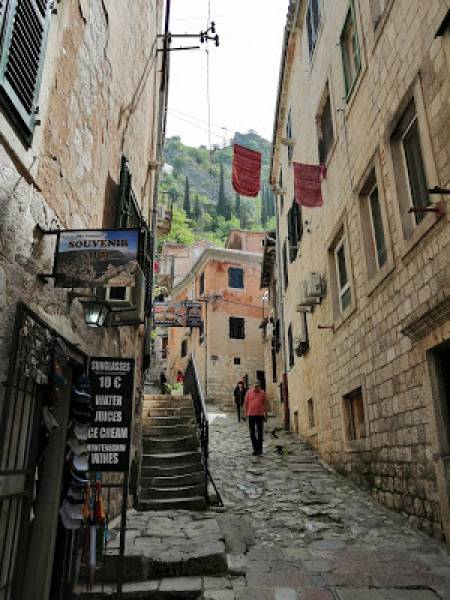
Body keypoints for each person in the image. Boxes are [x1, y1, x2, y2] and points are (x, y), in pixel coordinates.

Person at [244, 380, 269, 456]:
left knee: (260, 433)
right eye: (255, 386)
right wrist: (245, 414)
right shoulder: (248, 393)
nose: (256, 387)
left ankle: (260, 449)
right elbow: (245, 403)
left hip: (260, 415)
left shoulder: (262, 393)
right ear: (252, 386)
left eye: (257, 386)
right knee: (252, 433)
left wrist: (266, 415)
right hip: (251, 415)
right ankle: (255, 448)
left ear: (260, 386)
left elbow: (265, 404)